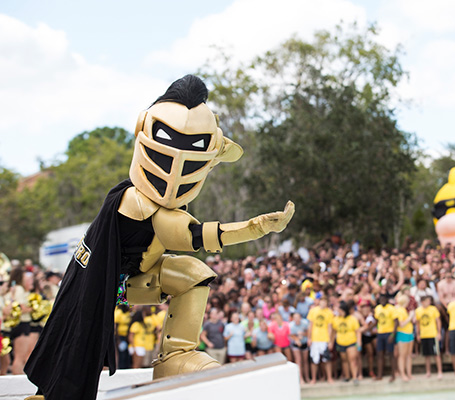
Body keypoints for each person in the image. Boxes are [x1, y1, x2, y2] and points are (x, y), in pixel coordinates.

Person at [25, 75, 295, 400]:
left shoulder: (127, 195)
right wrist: (255, 228)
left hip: (126, 278)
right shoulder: (139, 204)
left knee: (192, 274)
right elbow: (195, 236)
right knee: (193, 271)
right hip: (119, 288)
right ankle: (175, 357)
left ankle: (174, 357)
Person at [331, 301, 361, 385]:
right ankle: (347, 376)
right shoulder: (336, 319)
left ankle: (355, 377)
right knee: (344, 360)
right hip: (341, 342)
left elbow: (357, 331)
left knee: (352, 359)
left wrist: (359, 343)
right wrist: (331, 342)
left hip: (351, 341)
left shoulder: (352, 319)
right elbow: (333, 331)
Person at [307, 295, 334, 384]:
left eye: (325, 301)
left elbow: (330, 327)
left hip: (325, 338)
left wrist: (330, 340)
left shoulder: (329, 312)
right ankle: (313, 379)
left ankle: (329, 378)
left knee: (327, 359)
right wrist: (309, 338)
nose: (323, 303)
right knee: (314, 360)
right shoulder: (313, 311)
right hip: (315, 338)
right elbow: (310, 325)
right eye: (322, 301)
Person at [415, 295, 443, 379]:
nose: (429, 302)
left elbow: (438, 321)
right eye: (427, 301)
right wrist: (418, 334)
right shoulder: (418, 311)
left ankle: (440, 371)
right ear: (423, 302)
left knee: (436, 354)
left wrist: (439, 332)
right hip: (424, 335)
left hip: (433, 334)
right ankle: (428, 372)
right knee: (426, 355)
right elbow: (418, 323)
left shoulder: (433, 309)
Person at [374, 295, 397, 381]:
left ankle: (393, 375)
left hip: (389, 332)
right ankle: (379, 375)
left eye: (384, 299)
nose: (382, 301)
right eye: (381, 299)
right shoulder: (377, 308)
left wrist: (392, 335)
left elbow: (396, 322)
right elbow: (377, 320)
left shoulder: (391, 308)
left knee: (391, 354)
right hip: (380, 333)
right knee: (379, 354)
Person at [394, 294, 414, 382]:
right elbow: (401, 324)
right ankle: (403, 374)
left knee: (408, 355)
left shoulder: (404, 310)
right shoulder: (399, 310)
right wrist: (410, 317)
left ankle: (409, 373)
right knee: (402, 355)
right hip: (403, 334)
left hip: (409, 333)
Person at [289, 312, 309, 384]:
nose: (297, 319)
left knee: (305, 361)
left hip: (304, 343)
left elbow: (308, 332)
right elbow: (291, 335)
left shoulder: (305, 323)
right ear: (293, 319)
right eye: (295, 318)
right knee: (298, 361)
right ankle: (300, 378)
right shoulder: (291, 325)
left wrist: (303, 334)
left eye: (298, 317)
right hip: (296, 345)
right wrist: (297, 339)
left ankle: (307, 377)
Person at [114, 305, 132, 369]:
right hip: (120, 336)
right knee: (121, 352)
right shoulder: (119, 312)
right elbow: (116, 325)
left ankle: (126, 366)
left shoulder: (128, 313)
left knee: (126, 353)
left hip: (126, 336)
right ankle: (120, 367)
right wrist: (118, 339)